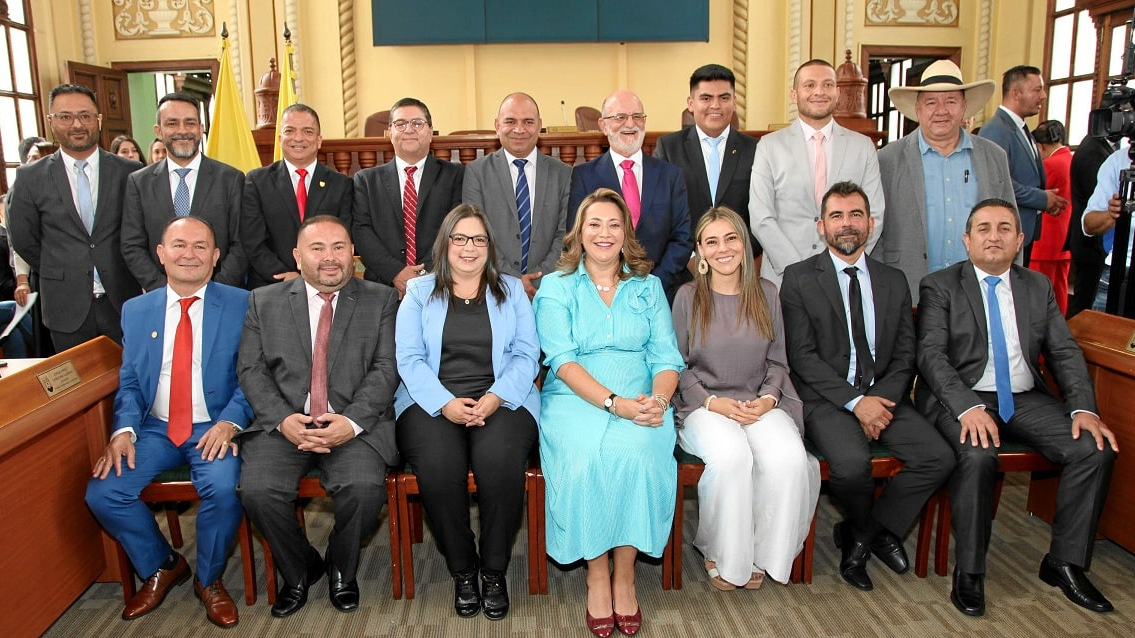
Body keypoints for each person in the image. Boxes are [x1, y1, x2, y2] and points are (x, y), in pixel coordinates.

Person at [916, 198, 1117, 616]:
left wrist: (1084, 409)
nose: (994, 236)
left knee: (1093, 448)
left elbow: (1064, 352)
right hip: (964, 398)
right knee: (977, 453)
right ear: (967, 240)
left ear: (1020, 239)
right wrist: (965, 407)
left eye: (1004, 228)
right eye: (984, 228)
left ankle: (1064, 561)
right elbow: (932, 357)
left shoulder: (1037, 286)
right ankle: (970, 571)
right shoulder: (939, 286)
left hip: (1025, 399)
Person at [780, 181, 954, 592]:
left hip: (885, 396)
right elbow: (802, 358)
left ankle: (863, 533)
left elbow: (905, 355)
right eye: (836, 216)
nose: (847, 224)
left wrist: (878, 401)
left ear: (871, 223)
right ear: (820, 226)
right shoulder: (799, 279)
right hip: (827, 400)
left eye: (855, 214)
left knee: (939, 457)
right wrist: (857, 403)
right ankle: (868, 533)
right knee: (852, 467)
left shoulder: (894, 280)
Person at [85, 216, 251, 628]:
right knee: (104, 494)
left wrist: (231, 421)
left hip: (214, 425)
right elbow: (130, 381)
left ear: (215, 256)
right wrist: (123, 430)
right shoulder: (137, 310)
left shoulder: (243, 303)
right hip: (156, 427)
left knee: (223, 488)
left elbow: (256, 376)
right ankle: (162, 564)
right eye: (179, 245)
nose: (188, 254)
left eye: (200, 246)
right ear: (161, 254)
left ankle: (209, 580)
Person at [534, 188, 684, 637]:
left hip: (642, 395)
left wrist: (657, 403)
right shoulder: (556, 286)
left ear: (626, 234)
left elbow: (666, 358)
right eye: (594, 224)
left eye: (614, 225)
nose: (604, 233)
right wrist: (612, 403)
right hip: (575, 397)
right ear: (579, 233)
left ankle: (625, 573)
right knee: (584, 461)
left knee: (640, 453)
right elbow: (562, 360)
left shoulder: (648, 286)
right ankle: (596, 572)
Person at [237, 215, 399, 618]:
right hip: (285, 425)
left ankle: (343, 569)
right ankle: (300, 569)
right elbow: (250, 369)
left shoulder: (381, 299)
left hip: (353, 426)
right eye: (318, 248)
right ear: (297, 255)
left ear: (352, 254)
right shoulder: (264, 300)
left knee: (364, 489)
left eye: (339, 247)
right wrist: (282, 420)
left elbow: (387, 367)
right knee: (257, 490)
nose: (330, 258)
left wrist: (352, 422)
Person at [394, 205, 540, 620]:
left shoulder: (511, 290)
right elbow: (409, 358)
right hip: (430, 401)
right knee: (439, 468)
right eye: (460, 238)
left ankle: (493, 571)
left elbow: (527, 355)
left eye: (478, 239)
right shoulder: (420, 292)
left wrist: (495, 398)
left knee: (498, 463)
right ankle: (462, 570)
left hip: (504, 399)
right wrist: (445, 403)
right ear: (445, 244)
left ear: (490, 246)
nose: (469, 247)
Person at [671, 206, 819, 590]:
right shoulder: (687, 297)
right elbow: (677, 366)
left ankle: (760, 551)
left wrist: (770, 398)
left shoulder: (767, 293)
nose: (723, 249)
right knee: (733, 456)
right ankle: (720, 551)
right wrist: (710, 402)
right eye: (712, 241)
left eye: (731, 238)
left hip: (758, 401)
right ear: (700, 251)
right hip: (703, 406)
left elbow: (777, 359)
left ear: (745, 243)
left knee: (788, 458)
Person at [7, 83, 142, 350]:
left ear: (98, 120)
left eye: (85, 116)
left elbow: (141, 231)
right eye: (65, 117)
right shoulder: (30, 178)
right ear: (51, 122)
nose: (77, 124)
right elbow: (24, 239)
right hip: (65, 307)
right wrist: (63, 265)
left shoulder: (131, 173)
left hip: (124, 302)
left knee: (132, 386)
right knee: (75, 389)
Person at [875, 59, 1014, 302]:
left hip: (978, 291)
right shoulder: (887, 159)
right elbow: (875, 232)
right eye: (931, 102)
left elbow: (1010, 227)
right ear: (918, 109)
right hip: (908, 290)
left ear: (964, 107)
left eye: (950, 101)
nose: (941, 110)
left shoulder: (993, 156)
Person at [750, 59, 885, 286]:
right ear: (794, 95)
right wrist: (797, 269)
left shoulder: (862, 147)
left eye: (827, 85)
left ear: (838, 92)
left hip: (845, 276)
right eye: (810, 85)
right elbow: (761, 217)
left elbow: (875, 215)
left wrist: (844, 261)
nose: (819, 92)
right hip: (784, 277)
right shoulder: (769, 146)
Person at [567, 90, 692, 301]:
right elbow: (577, 235)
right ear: (603, 125)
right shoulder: (583, 176)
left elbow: (682, 237)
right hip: (602, 295)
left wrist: (654, 282)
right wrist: (610, 283)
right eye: (620, 117)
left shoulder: (670, 175)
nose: (630, 124)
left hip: (661, 292)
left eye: (637, 117)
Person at [122, 92, 246, 291]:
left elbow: (241, 243)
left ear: (200, 128)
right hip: (162, 299)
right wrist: (166, 292)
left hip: (220, 294)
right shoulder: (139, 183)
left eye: (190, 123)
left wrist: (214, 291)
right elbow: (132, 245)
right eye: (172, 123)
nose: (183, 131)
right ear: (158, 130)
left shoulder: (231, 179)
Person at [463, 93, 570, 299]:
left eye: (528, 122)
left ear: (539, 126)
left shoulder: (563, 174)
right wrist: (512, 280)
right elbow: (477, 235)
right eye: (510, 121)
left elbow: (566, 235)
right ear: (497, 125)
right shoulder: (476, 173)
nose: (519, 129)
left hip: (548, 288)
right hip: (493, 287)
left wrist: (540, 278)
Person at [353, 97, 464, 296]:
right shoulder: (366, 180)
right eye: (400, 124)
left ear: (430, 132)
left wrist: (424, 274)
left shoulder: (455, 175)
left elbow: (456, 228)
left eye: (417, 123)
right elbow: (362, 232)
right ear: (390, 133)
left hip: (439, 285)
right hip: (383, 287)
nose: (409, 129)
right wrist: (396, 273)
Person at [654, 64, 761, 260]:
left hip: (740, 265)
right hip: (685, 268)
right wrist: (690, 258)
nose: (715, 105)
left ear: (735, 102)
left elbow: (761, 216)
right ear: (691, 103)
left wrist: (737, 255)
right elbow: (660, 213)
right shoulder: (669, 148)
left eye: (724, 98)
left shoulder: (755, 150)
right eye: (706, 98)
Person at [241, 103, 353, 288]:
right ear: (280, 138)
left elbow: (344, 239)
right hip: (272, 285)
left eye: (308, 131)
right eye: (290, 131)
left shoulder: (341, 184)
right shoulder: (257, 181)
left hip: (326, 284)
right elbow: (252, 241)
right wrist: (288, 277)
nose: (298, 138)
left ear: (319, 140)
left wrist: (313, 276)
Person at [978, 66, 1067, 265]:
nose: (1043, 96)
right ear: (1016, 93)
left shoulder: (1021, 128)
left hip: (1022, 228)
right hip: (1005, 231)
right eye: (1037, 90)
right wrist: (1042, 198)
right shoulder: (996, 130)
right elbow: (998, 183)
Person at [1066, 130, 1119, 318]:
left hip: (1096, 249)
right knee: (1085, 310)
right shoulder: (1101, 155)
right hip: (1097, 250)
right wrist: (1112, 213)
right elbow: (1090, 219)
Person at [1080, 145, 1134, 313]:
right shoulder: (1118, 161)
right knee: (1102, 337)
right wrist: (1112, 214)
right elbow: (1088, 224)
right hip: (1117, 272)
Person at [1030, 120, 1073, 313]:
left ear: (1040, 146)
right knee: (1059, 289)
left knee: (1039, 293)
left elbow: (1032, 194)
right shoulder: (1071, 159)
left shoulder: (1050, 164)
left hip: (1045, 240)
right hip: (1065, 237)